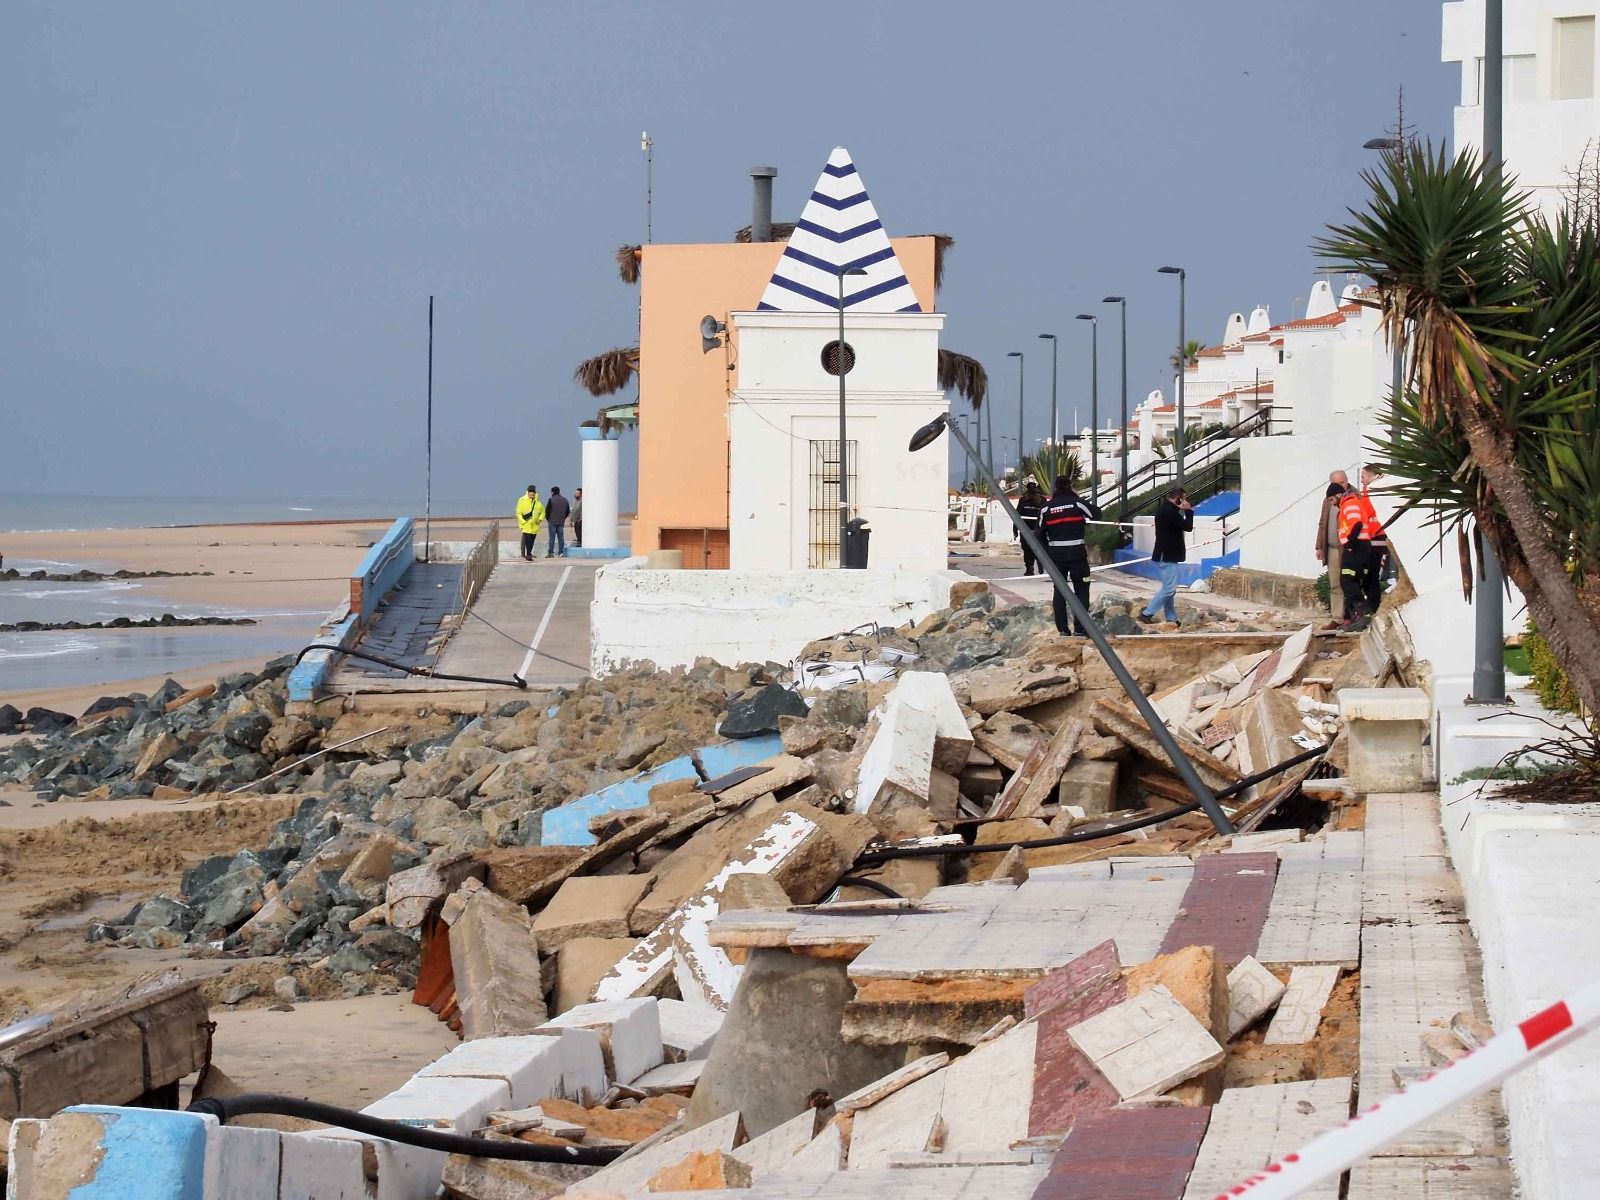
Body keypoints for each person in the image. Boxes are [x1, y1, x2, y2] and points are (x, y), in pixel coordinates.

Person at [1040, 473, 1101, 637]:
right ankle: (1080, 629)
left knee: (1059, 590)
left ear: (1055, 488)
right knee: (1082, 589)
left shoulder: (1047, 508)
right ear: (1069, 487)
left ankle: (1063, 629)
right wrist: (1077, 499)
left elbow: (1039, 532)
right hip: (1077, 554)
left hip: (1056, 555)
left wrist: (1047, 551)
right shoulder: (1077, 503)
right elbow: (1097, 513)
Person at [1137, 486, 1194, 625]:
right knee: (1169, 589)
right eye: (1184, 499)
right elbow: (1188, 527)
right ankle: (1147, 613)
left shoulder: (1166, 510)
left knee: (1169, 588)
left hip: (1166, 554)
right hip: (1167, 555)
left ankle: (1171, 617)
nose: (1185, 501)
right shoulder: (1170, 512)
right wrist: (1188, 511)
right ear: (1178, 499)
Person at [1337, 478, 1377, 630]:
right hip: (1358, 547)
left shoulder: (1349, 503)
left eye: (1332, 499)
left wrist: (1349, 543)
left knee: (1348, 581)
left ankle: (1364, 612)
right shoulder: (1349, 503)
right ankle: (1354, 618)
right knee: (1349, 582)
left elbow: (1357, 524)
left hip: (1356, 548)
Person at [1314, 471, 1349, 623]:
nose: (1340, 486)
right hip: (1332, 548)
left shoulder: (1354, 497)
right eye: (1336, 483)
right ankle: (1337, 617)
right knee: (1335, 584)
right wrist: (1319, 546)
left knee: (1350, 583)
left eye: (1342, 482)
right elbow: (1322, 523)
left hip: (1348, 549)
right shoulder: (1328, 500)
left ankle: (1351, 616)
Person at [1356, 465, 1389, 614]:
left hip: (1373, 537)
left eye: (1363, 477)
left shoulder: (1369, 491)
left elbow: (1365, 512)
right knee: (1372, 576)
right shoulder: (1382, 488)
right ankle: (1372, 607)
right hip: (1378, 537)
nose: (1362, 481)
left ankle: (1372, 608)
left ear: (1371, 476)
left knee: (1370, 577)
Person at [1014, 480, 1044, 576]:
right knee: (1036, 549)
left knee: (1028, 551)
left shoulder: (1024, 500)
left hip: (1028, 531)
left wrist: (1015, 530)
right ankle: (1035, 566)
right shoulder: (1040, 500)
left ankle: (1031, 568)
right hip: (1036, 530)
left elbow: (1017, 516)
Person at [515, 485, 545, 561]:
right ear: (527, 493)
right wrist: (523, 521)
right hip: (526, 525)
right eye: (530, 495)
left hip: (535, 526)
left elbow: (542, 512)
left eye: (533, 495)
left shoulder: (538, 503)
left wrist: (540, 519)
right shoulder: (522, 500)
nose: (532, 496)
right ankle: (528, 555)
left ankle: (529, 553)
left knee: (531, 541)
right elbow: (518, 513)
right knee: (527, 540)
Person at [544, 486, 572, 558]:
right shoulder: (565, 500)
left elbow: (547, 511)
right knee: (561, 538)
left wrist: (548, 519)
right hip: (561, 521)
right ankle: (561, 552)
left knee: (552, 538)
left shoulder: (551, 500)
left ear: (552, 492)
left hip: (552, 521)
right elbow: (568, 511)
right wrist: (563, 518)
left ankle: (551, 553)